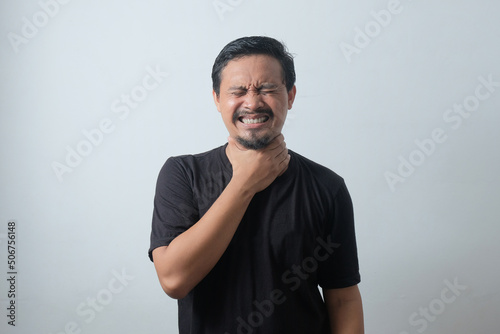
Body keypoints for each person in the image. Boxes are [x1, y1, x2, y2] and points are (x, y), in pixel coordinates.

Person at [149, 36, 364, 334]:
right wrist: (245, 183)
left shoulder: (327, 187)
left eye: (267, 89)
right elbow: (174, 280)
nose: (252, 103)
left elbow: (343, 299)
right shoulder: (183, 174)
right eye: (237, 91)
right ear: (216, 99)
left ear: (290, 96)